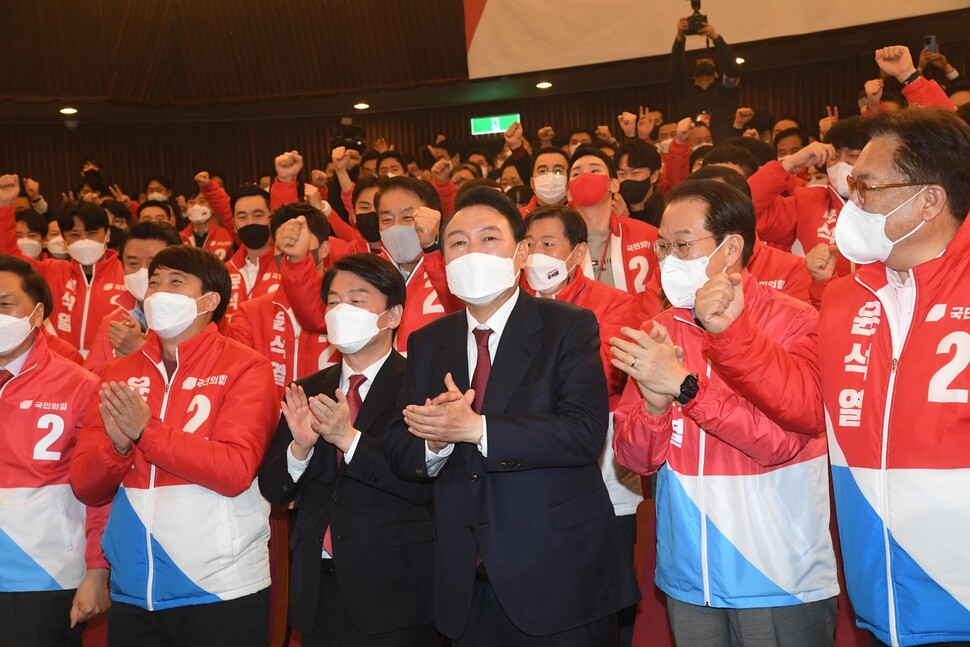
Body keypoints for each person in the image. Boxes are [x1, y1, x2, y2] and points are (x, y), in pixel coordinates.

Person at [697, 106, 970, 647]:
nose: (851, 202)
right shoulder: (848, 295)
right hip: (882, 594)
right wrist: (733, 336)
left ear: (930, 199)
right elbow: (806, 406)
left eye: (866, 187)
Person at [382, 186, 640, 645]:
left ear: (521, 252)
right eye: (457, 242)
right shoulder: (428, 342)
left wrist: (476, 428)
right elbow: (402, 447)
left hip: (558, 576)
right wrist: (436, 441)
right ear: (442, 259)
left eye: (488, 239)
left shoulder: (568, 325)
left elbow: (583, 434)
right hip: (466, 583)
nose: (472, 252)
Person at [611, 180, 838, 645]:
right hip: (689, 572)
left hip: (776, 571)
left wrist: (683, 388)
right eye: (662, 246)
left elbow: (782, 442)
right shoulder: (659, 328)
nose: (667, 258)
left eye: (682, 245)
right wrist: (653, 408)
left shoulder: (796, 320)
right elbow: (634, 461)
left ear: (731, 246)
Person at [69, 245, 279, 646]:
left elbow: (234, 469)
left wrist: (146, 432)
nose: (159, 291)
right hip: (134, 588)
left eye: (175, 282)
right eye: (154, 282)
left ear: (211, 300)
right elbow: (86, 487)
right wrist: (117, 447)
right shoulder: (116, 373)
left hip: (220, 586)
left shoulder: (246, 366)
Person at [259, 253, 437, 646]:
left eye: (357, 300)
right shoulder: (307, 388)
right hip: (318, 589)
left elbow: (422, 484)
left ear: (392, 315)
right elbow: (273, 488)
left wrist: (348, 439)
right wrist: (300, 450)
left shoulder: (419, 384)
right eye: (334, 301)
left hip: (395, 591)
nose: (342, 310)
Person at [522, 205, 643, 646]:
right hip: (532, 458)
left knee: (602, 583)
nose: (536, 254)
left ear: (576, 254)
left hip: (604, 459)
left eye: (548, 244)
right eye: (529, 244)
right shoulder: (509, 305)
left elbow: (604, 375)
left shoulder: (614, 303)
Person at [0, 255, 110, 647]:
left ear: (37, 312)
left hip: (42, 576)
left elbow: (98, 490)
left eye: (4, 303)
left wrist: (97, 570)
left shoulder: (79, 385)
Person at [0, 179, 127, 357]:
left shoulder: (128, 275)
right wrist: (4, 204)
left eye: (91, 233)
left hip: (111, 368)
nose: (84, 240)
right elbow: (10, 258)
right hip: (58, 366)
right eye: (75, 234)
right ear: (64, 240)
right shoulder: (50, 270)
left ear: (107, 235)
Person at [227, 203, 340, 399]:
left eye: (299, 243)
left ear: (324, 249)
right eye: (283, 246)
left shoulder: (346, 308)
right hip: (273, 425)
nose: (291, 252)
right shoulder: (251, 312)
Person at [567, 146, 661, 316]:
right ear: (568, 192)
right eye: (576, 174)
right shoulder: (555, 244)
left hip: (638, 336)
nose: (586, 177)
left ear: (614, 184)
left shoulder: (650, 237)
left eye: (595, 170)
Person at [83, 221, 182, 376]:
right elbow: (90, 379)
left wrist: (140, 349)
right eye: (133, 263)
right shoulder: (113, 322)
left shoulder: (193, 316)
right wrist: (123, 362)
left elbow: (198, 377)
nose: (143, 271)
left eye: (153, 262)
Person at [669, 16, 742, 144]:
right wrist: (680, 39)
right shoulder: (684, 92)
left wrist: (715, 38)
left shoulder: (727, 89)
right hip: (693, 148)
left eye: (709, 61)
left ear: (717, 73)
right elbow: (676, 70)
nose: (704, 62)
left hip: (724, 147)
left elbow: (732, 69)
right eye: (700, 62)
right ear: (692, 75)